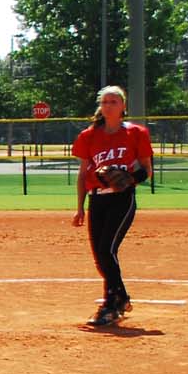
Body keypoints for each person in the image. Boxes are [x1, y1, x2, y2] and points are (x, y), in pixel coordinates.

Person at [72, 84, 153, 328]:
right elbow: (83, 173)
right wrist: (80, 207)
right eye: (104, 102)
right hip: (97, 198)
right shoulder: (89, 135)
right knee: (100, 256)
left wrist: (130, 179)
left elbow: (146, 170)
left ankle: (110, 304)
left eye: (113, 102)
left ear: (123, 107)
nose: (108, 106)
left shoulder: (136, 133)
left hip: (122, 198)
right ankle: (121, 298)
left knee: (107, 249)